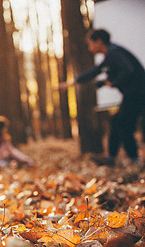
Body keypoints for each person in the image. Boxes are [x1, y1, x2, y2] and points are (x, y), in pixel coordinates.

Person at [59, 29, 145, 166]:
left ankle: (133, 158)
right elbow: (95, 71)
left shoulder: (114, 53)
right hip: (135, 93)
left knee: (122, 123)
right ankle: (112, 157)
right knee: (118, 121)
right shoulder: (111, 54)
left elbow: (128, 70)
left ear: (99, 41)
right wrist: (72, 82)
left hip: (138, 93)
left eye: (90, 43)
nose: (89, 48)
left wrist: (113, 82)